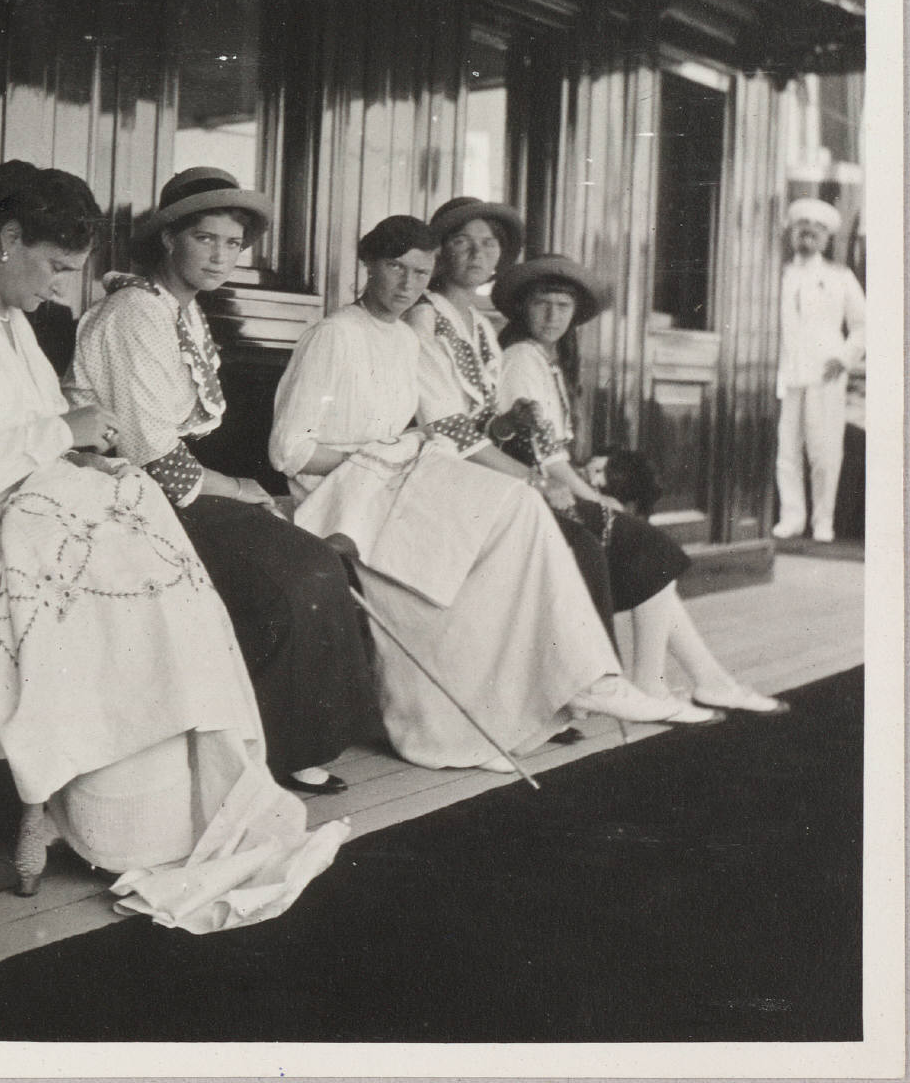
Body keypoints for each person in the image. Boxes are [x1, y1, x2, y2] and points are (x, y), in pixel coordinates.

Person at [0, 159, 347, 933]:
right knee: (123, 590)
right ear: (10, 239)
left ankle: (177, 809)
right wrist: (61, 436)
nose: (57, 287)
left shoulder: (3, 319)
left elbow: (35, 435)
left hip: (4, 508)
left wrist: (83, 454)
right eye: (53, 265)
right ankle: (122, 824)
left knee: (157, 568)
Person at [268, 214, 709, 776]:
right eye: (395, 268)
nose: (406, 284)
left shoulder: (403, 338)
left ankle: (569, 686)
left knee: (521, 509)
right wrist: (381, 455)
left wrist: (404, 454)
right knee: (506, 518)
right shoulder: (334, 334)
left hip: (388, 485)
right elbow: (289, 451)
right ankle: (562, 688)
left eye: (419, 273)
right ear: (369, 266)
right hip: (339, 501)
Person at [66, 166, 378, 796]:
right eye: (205, 238)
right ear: (168, 239)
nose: (220, 256)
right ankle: (280, 750)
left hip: (164, 487)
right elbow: (155, 456)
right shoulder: (135, 313)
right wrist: (239, 489)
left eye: (232, 244)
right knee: (299, 572)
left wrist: (242, 490)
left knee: (318, 556)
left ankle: (289, 737)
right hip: (122, 493)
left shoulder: (180, 312)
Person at [494, 252, 789, 716]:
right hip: (529, 495)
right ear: (522, 309)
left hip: (553, 490)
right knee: (649, 548)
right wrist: (596, 498)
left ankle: (701, 680)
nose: (552, 316)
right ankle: (664, 683)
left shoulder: (545, 360)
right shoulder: (519, 360)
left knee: (648, 551)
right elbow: (543, 456)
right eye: (541, 304)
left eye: (562, 306)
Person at [407, 197, 619, 652]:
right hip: (439, 475)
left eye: (489, 244)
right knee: (576, 542)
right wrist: (535, 480)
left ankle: (591, 671)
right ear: (440, 252)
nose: (477, 254)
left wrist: (507, 424)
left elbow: (482, 426)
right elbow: (447, 429)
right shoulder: (426, 317)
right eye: (462, 242)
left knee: (581, 538)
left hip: (479, 471)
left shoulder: (481, 327)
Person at [773, 197, 866, 543]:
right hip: (787, 374)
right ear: (792, 233)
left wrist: (843, 358)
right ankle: (792, 518)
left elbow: (863, 325)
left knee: (824, 453)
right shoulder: (779, 275)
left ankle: (823, 521)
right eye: (802, 227)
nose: (808, 234)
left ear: (826, 238)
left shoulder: (839, 277)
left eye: (816, 229)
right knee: (786, 452)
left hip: (825, 375)